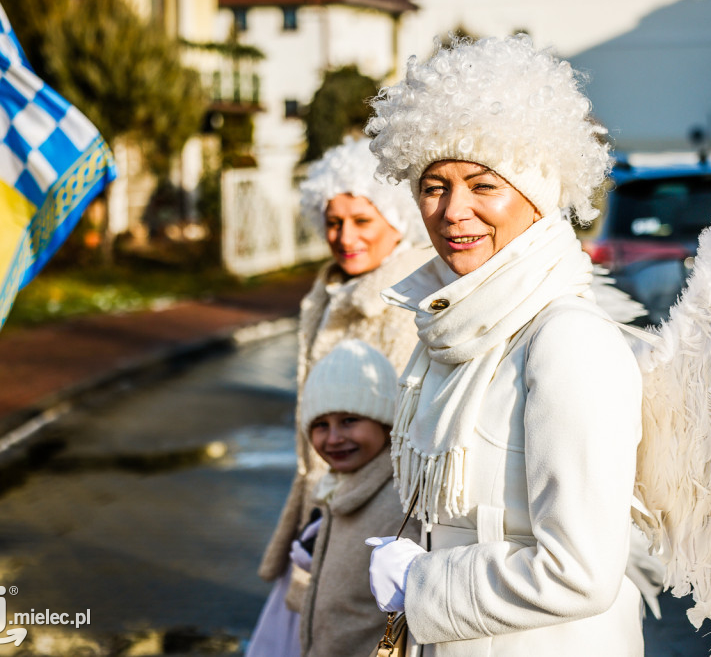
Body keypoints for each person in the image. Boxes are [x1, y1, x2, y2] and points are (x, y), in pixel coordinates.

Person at [365, 35, 645, 655]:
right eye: (433, 185)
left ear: (536, 196)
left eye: (482, 185)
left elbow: (580, 572)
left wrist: (420, 581)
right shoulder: (450, 326)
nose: (452, 210)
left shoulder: (567, 341)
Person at [247, 137, 431, 657]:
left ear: (396, 221)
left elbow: (403, 425)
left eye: (362, 220)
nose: (344, 236)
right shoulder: (333, 290)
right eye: (333, 221)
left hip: (374, 511)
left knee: (348, 630)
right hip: (324, 503)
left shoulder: (406, 298)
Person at [292, 339, 422, 657]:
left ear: (385, 422)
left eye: (349, 420)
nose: (334, 438)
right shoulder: (337, 486)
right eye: (321, 425)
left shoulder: (401, 501)